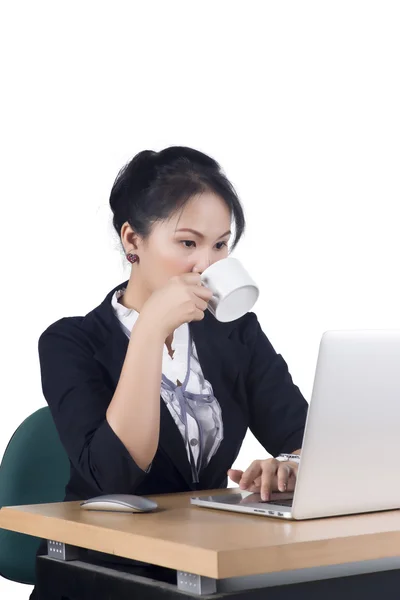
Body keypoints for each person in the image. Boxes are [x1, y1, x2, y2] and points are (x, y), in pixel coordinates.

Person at [30, 146, 308, 598]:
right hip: (102, 571)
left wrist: (289, 467)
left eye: (220, 245)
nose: (207, 265)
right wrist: (150, 329)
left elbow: (302, 434)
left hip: (202, 561)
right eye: (187, 243)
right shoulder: (70, 342)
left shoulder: (233, 333)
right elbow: (115, 475)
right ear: (132, 241)